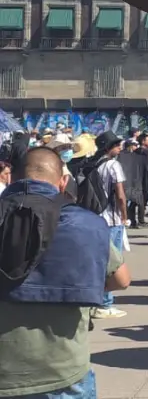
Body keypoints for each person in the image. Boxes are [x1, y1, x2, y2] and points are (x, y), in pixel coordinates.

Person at [0, 148, 132, 398]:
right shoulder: (87, 225)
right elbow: (121, 280)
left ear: (10, 179)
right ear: (62, 182)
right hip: (61, 370)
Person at [90, 131, 129, 320]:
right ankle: (106, 302)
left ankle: (98, 300)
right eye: (116, 145)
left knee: (99, 260)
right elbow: (120, 194)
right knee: (112, 262)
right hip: (112, 217)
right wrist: (124, 215)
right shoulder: (114, 166)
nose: (119, 148)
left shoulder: (94, 164)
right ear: (109, 148)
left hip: (97, 215)